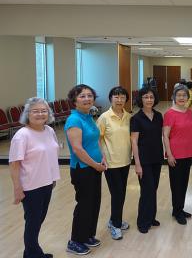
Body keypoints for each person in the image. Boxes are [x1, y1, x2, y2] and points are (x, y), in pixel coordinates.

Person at [9, 97, 60, 258]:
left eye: (44, 110)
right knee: (33, 223)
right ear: (27, 114)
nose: (40, 114)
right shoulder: (22, 135)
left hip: (47, 183)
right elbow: (14, 164)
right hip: (31, 187)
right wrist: (18, 189)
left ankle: (32, 252)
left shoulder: (49, 131)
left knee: (38, 220)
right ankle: (32, 254)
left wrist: (52, 179)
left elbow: (52, 155)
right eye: (35, 111)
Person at [65, 84, 106, 255]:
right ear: (74, 100)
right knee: (84, 205)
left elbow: (96, 139)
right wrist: (95, 164)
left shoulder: (88, 116)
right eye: (82, 96)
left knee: (94, 202)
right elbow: (78, 149)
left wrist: (102, 156)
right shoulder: (74, 120)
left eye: (90, 95)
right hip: (83, 169)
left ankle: (88, 235)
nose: (87, 99)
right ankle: (75, 241)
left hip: (95, 167)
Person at [97, 86, 132, 240]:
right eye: (116, 97)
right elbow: (97, 139)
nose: (119, 100)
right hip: (111, 163)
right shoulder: (104, 117)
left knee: (121, 193)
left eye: (122, 97)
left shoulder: (129, 116)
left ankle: (114, 219)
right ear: (110, 99)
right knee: (117, 194)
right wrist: (101, 156)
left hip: (125, 161)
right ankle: (115, 224)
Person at [130, 87, 164, 234]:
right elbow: (134, 142)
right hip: (143, 160)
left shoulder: (158, 116)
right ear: (141, 100)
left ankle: (151, 217)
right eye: (145, 97)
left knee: (153, 189)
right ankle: (142, 221)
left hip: (157, 157)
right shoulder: (136, 118)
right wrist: (137, 163)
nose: (149, 100)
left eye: (151, 97)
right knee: (147, 190)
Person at [163, 84, 192, 225]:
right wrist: (169, 155)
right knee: (176, 184)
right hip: (175, 154)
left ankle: (180, 208)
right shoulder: (169, 113)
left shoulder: (189, 112)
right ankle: (177, 211)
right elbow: (165, 136)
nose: (182, 98)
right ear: (174, 97)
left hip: (188, 153)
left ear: (188, 98)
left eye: (184, 95)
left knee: (183, 183)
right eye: (179, 95)